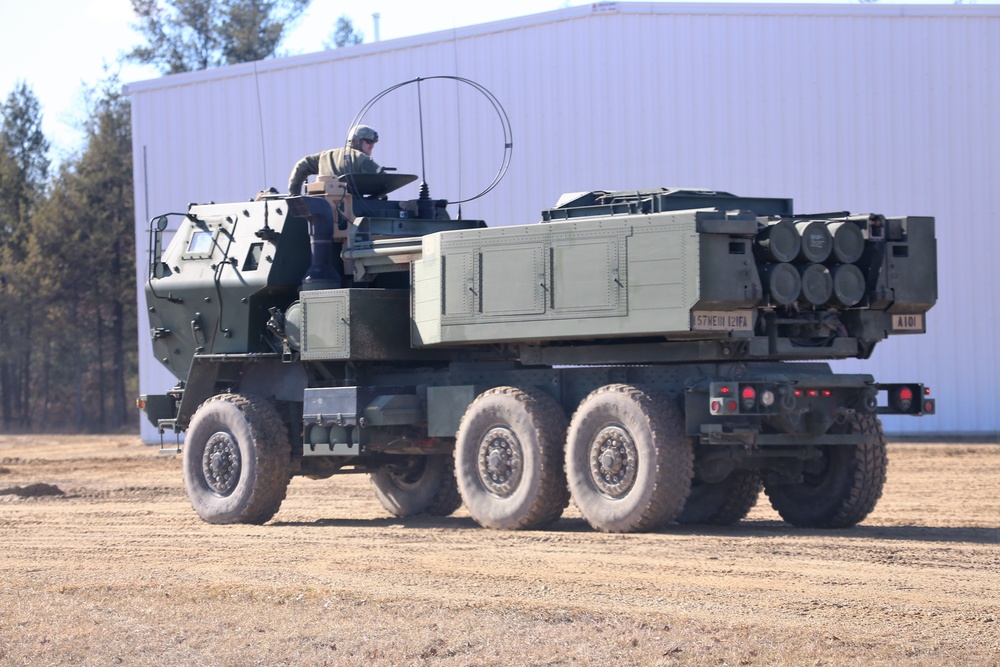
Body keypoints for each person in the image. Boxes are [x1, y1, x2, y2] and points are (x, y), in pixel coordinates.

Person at [287, 124, 381, 195]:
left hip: (322, 208)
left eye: (373, 143)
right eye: (369, 142)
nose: (372, 146)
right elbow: (383, 181)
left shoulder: (325, 156)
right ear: (356, 141)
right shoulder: (363, 159)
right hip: (352, 210)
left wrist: (294, 195)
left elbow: (301, 166)